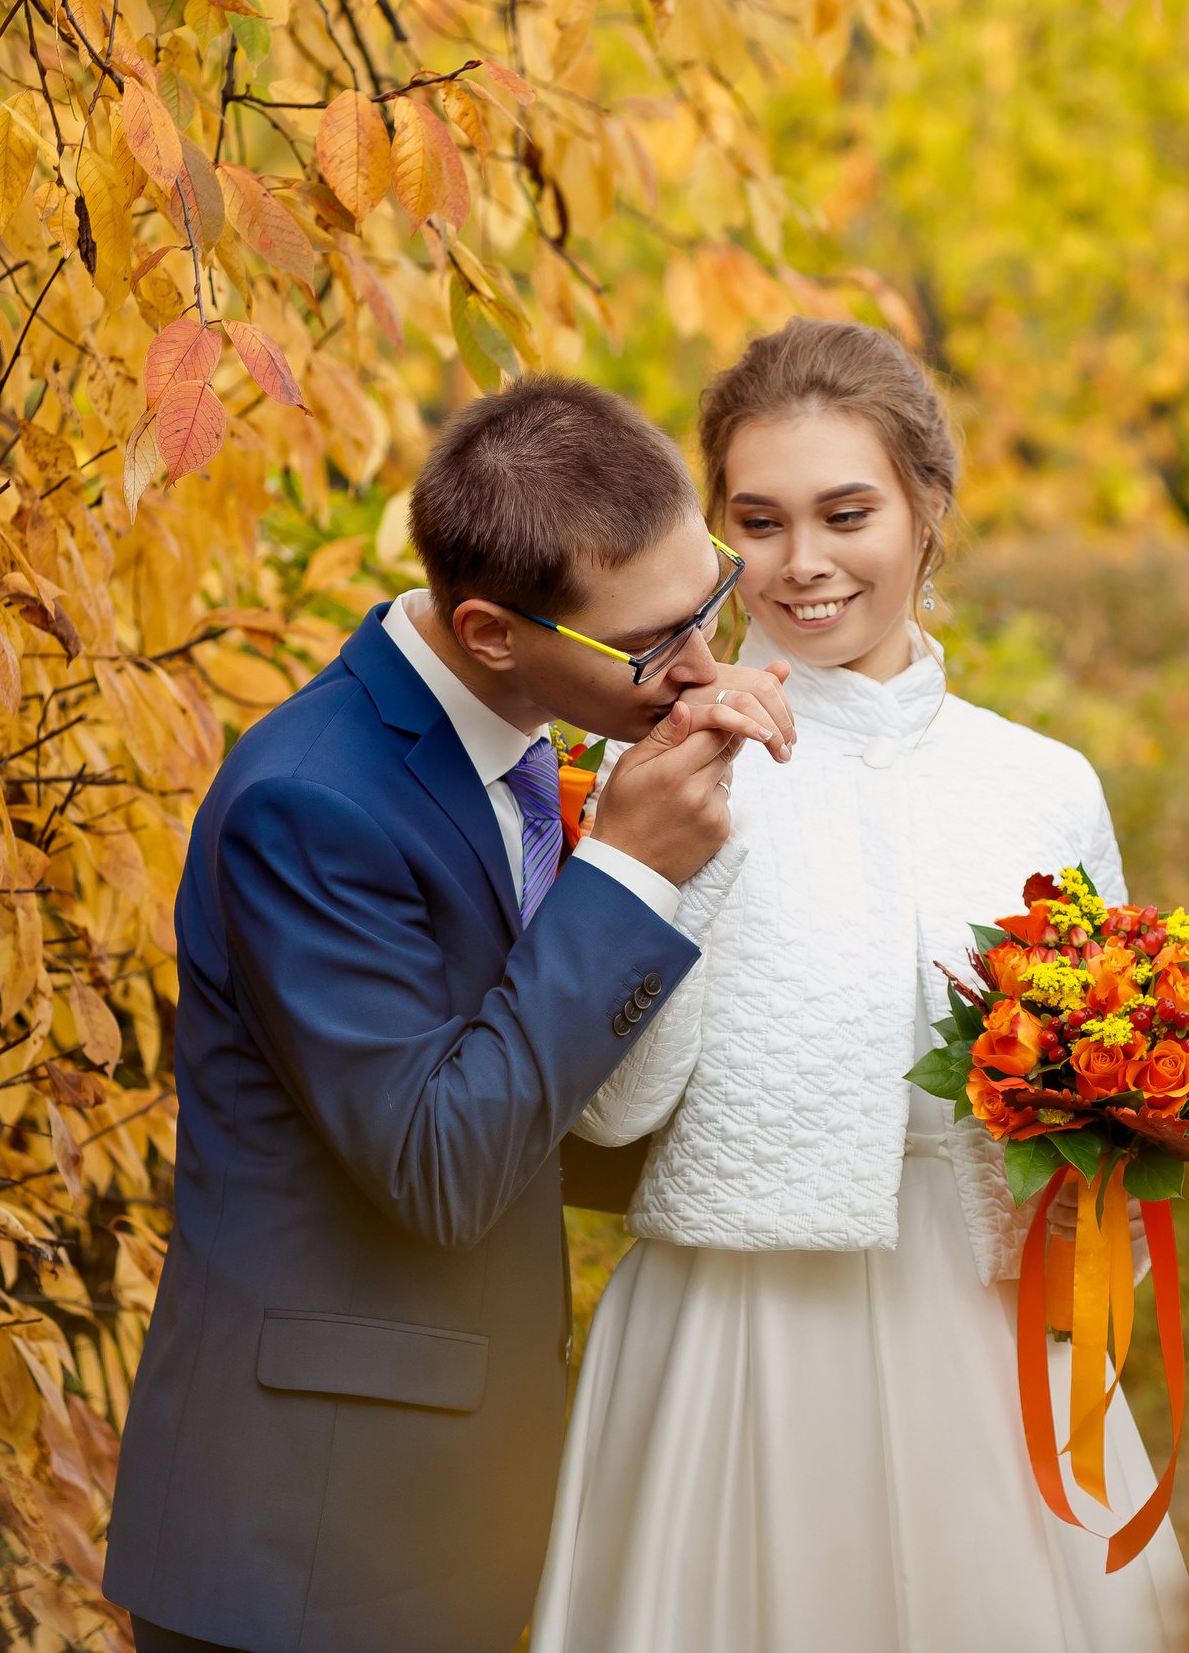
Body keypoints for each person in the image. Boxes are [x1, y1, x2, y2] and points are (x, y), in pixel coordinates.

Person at [530, 321, 1189, 1652]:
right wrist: (690, 835)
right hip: (739, 1337)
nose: (805, 562)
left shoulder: (1043, 783)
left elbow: (1109, 1104)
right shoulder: (662, 767)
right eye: (761, 520)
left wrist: (1115, 1212)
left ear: (927, 510)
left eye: (848, 511)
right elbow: (609, 1112)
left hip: (994, 1333)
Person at [104, 377, 797, 1653]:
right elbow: (438, 1163)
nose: (702, 667)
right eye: (652, 647)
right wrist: (632, 875)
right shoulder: (311, 803)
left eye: (709, 604)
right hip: (313, 1547)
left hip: (458, 1509)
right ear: (487, 632)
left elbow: (568, 1125)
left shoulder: (531, 751)